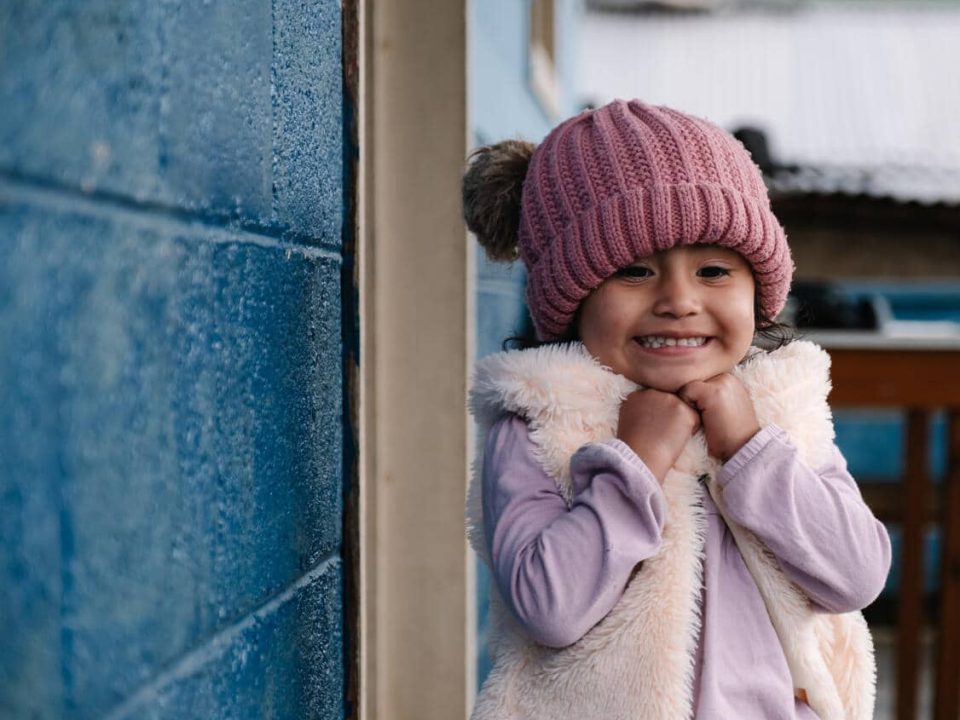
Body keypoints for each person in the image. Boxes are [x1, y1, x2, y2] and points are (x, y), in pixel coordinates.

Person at [460, 99, 891, 720]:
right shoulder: (541, 421)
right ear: (571, 294)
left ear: (758, 290)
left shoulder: (779, 410)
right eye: (634, 271)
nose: (679, 301)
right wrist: (634, 463)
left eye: (714, 270)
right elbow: (548, 609)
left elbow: (856, 577)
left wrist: (751, 452)